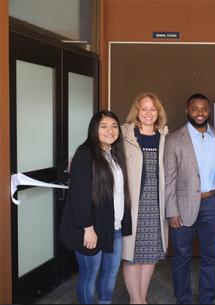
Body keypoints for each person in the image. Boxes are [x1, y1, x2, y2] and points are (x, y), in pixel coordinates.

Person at [59, 111, 132, 304]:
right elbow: (79, 196)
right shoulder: (85, 154)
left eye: (114, 126)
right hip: (90, 229)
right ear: (94, 130)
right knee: (89, 275)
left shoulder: (113, 154)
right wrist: (88, 229)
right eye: (104, 126)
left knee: (110, 273)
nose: (111, 131)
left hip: (112, 226)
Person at [164, 93, 215, 304]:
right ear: (187, 111)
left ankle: (207, 298)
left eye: (203, 109)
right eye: (195, 109)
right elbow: (169, 178)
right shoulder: (174, 139)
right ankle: (183, 299)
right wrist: (171, 211)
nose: (199, 113)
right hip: (182, 207)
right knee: (181, 257)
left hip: (213, 202)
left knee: (210, 256)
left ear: (209, 111)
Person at [121, 92, 169, 304]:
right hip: (132, 205)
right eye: (144, 109)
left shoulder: (165, 137)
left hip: (155, 204)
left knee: (150, 254)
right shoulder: (125, 135)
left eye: (152, 109)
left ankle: (142, 298)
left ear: (158, 112)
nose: (148, 113)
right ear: (137, 112)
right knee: (132, 255)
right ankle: (136, 300)